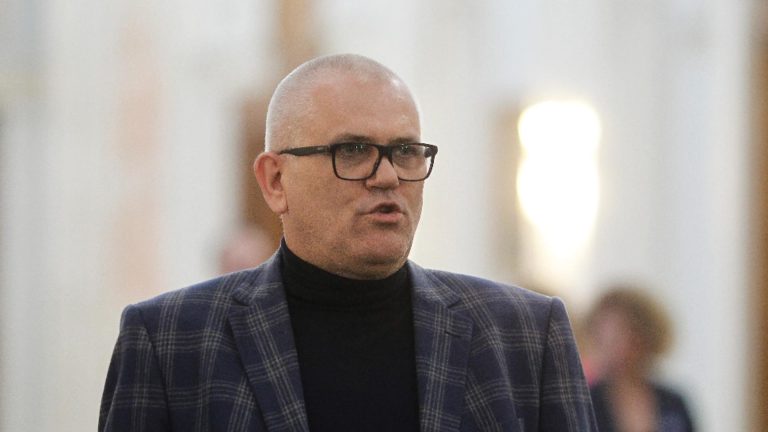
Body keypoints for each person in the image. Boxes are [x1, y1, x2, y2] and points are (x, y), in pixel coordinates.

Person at [99, 54, 597, 432]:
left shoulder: (525, 334)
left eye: (406, 151)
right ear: (275, 180)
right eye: (354, 150)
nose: (388, 176)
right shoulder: (170, 340)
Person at [584, 286, 695, 432]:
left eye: (626, 334)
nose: (620, 348)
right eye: (609, 338)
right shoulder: (587, 404)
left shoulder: (673, 403)